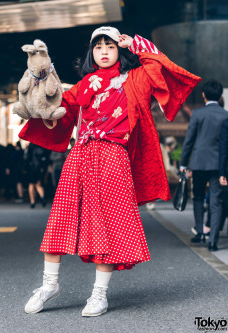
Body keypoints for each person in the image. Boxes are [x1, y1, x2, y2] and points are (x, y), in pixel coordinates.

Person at [19, 27, 201, 316]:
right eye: (98, 46)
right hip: (80, 154)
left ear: (120, 50)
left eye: (111, 46)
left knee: (109, 225)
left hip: (115, 157)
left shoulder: (136, 79)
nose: (104, 51)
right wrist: (39, 82)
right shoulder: (84, 83)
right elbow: (57, 108)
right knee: (60, 219)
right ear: (92, 52)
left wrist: (136, 43)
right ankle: (49, 284)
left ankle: (99, 294)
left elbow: (158, 64)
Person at [180, 80, 228, 251]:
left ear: (203, 95)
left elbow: (189, 141)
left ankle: (200, 233)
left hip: (199, 162)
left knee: (198, 197)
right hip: (218, 164)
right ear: (220, 96)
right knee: (216, 202)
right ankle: (213, 240)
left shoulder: (198, 114)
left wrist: (183, 163)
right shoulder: (225, 115)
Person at [23, 143, 49, 208]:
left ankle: (32, 201)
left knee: (31, 185)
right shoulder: (42, 146)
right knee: (38, 184)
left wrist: (25, 168)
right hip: (39, 168)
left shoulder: (30, 146)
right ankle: (42, 197)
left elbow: (27, 158)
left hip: (31, 168)